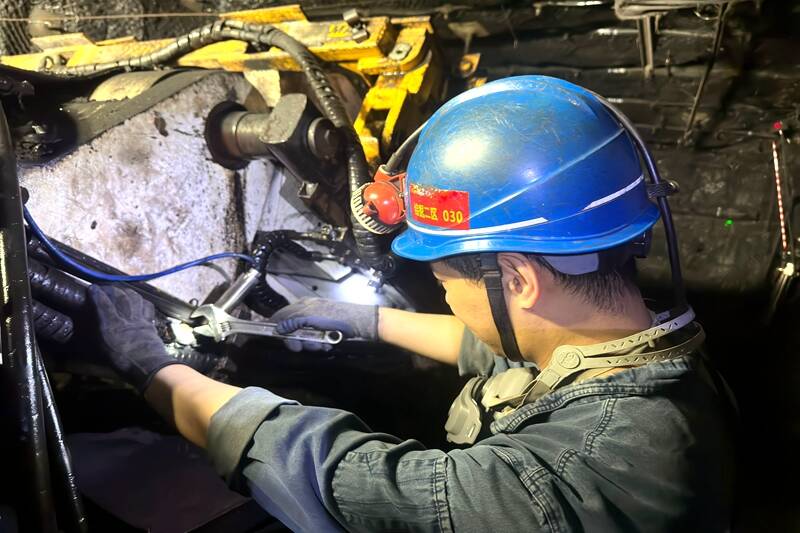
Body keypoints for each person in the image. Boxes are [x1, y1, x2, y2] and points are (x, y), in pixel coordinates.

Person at [88, 76, 734, 532]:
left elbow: (340, 474)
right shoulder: (645, 344)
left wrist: (155, 370)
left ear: (518, 278)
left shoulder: (561, 484)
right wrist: (371, 320)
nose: (446, 296)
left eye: (446, 281)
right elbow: (506, 349)